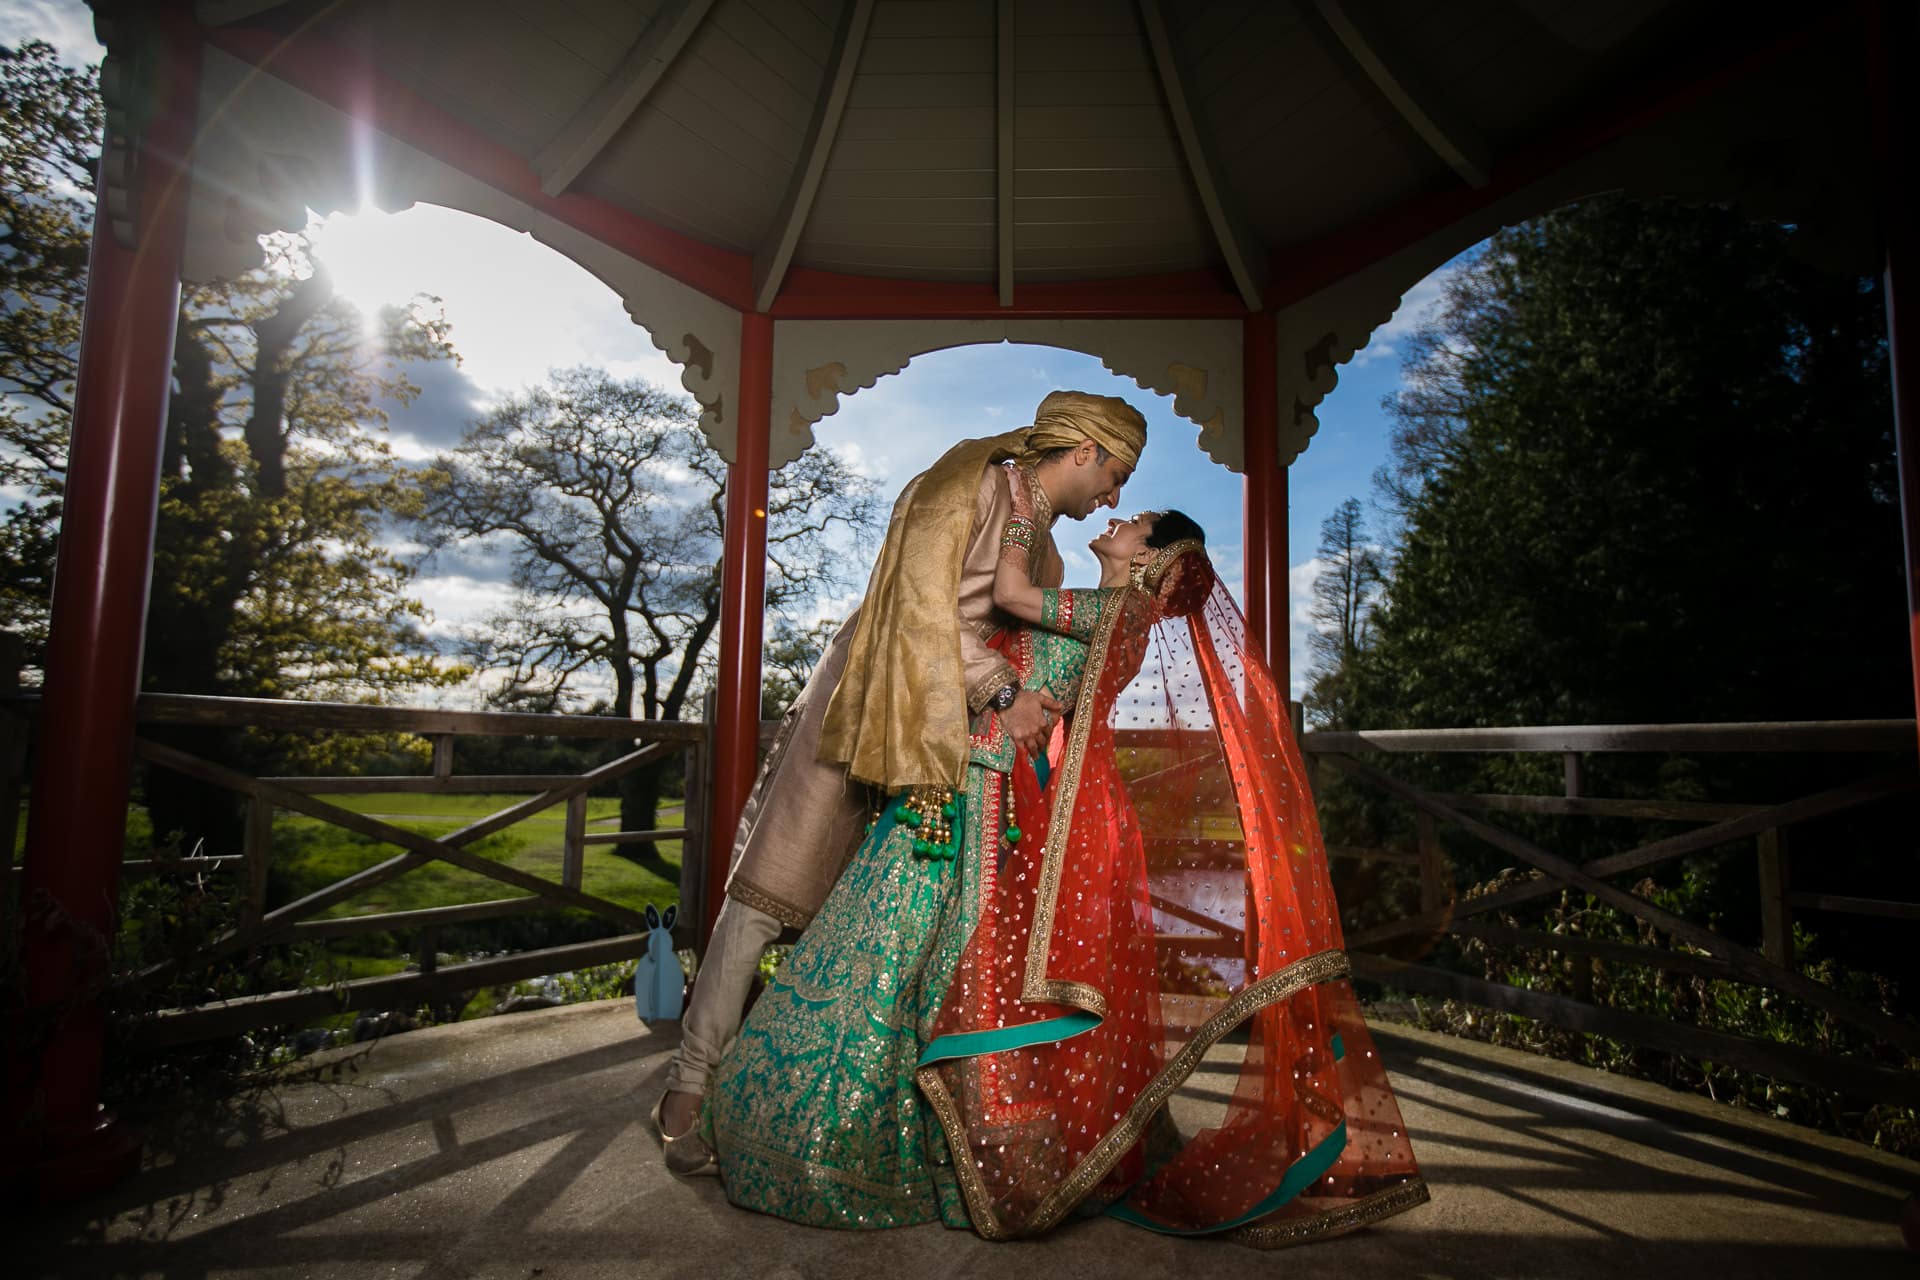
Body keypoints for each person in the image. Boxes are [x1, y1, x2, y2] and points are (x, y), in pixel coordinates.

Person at [708, 495, 1427, 1246]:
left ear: (1146, 560)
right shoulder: (1117, 616)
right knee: (928, 951)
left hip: (990, 786)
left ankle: (943, 1152)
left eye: (1136, 523)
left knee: (948, 957)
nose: (1119, 518)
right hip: (986, 775)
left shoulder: (1115, 611)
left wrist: (1021, 514)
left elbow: (1013, 594)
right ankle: (941, 1144)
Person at [655, 391, 1148, 1173]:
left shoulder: (1049, 554)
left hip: (955, 745)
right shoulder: (976, 482)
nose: (1115, 497)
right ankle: (690, 1081)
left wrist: (1034, 700)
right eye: (1116, 473)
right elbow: (917, 605)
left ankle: (855, 1108)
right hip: (873, 692)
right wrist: (1007, 692)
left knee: (897, 924)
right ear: (1084, 451)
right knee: (769, 890)